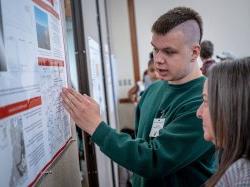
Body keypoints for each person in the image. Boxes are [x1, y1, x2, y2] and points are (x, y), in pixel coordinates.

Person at [61, 6, 216, 187]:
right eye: (155, 49)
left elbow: (153, 161)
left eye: (169, 51)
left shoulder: (203, 103)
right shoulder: (152, 91)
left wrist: (97, 127)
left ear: (195, 52)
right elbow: (141, 144)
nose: (158, 59)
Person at [197, 57, 250, 187]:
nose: (198, 113)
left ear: (232, 107)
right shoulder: (232, 162)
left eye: (205, 101)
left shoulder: (243, 176)